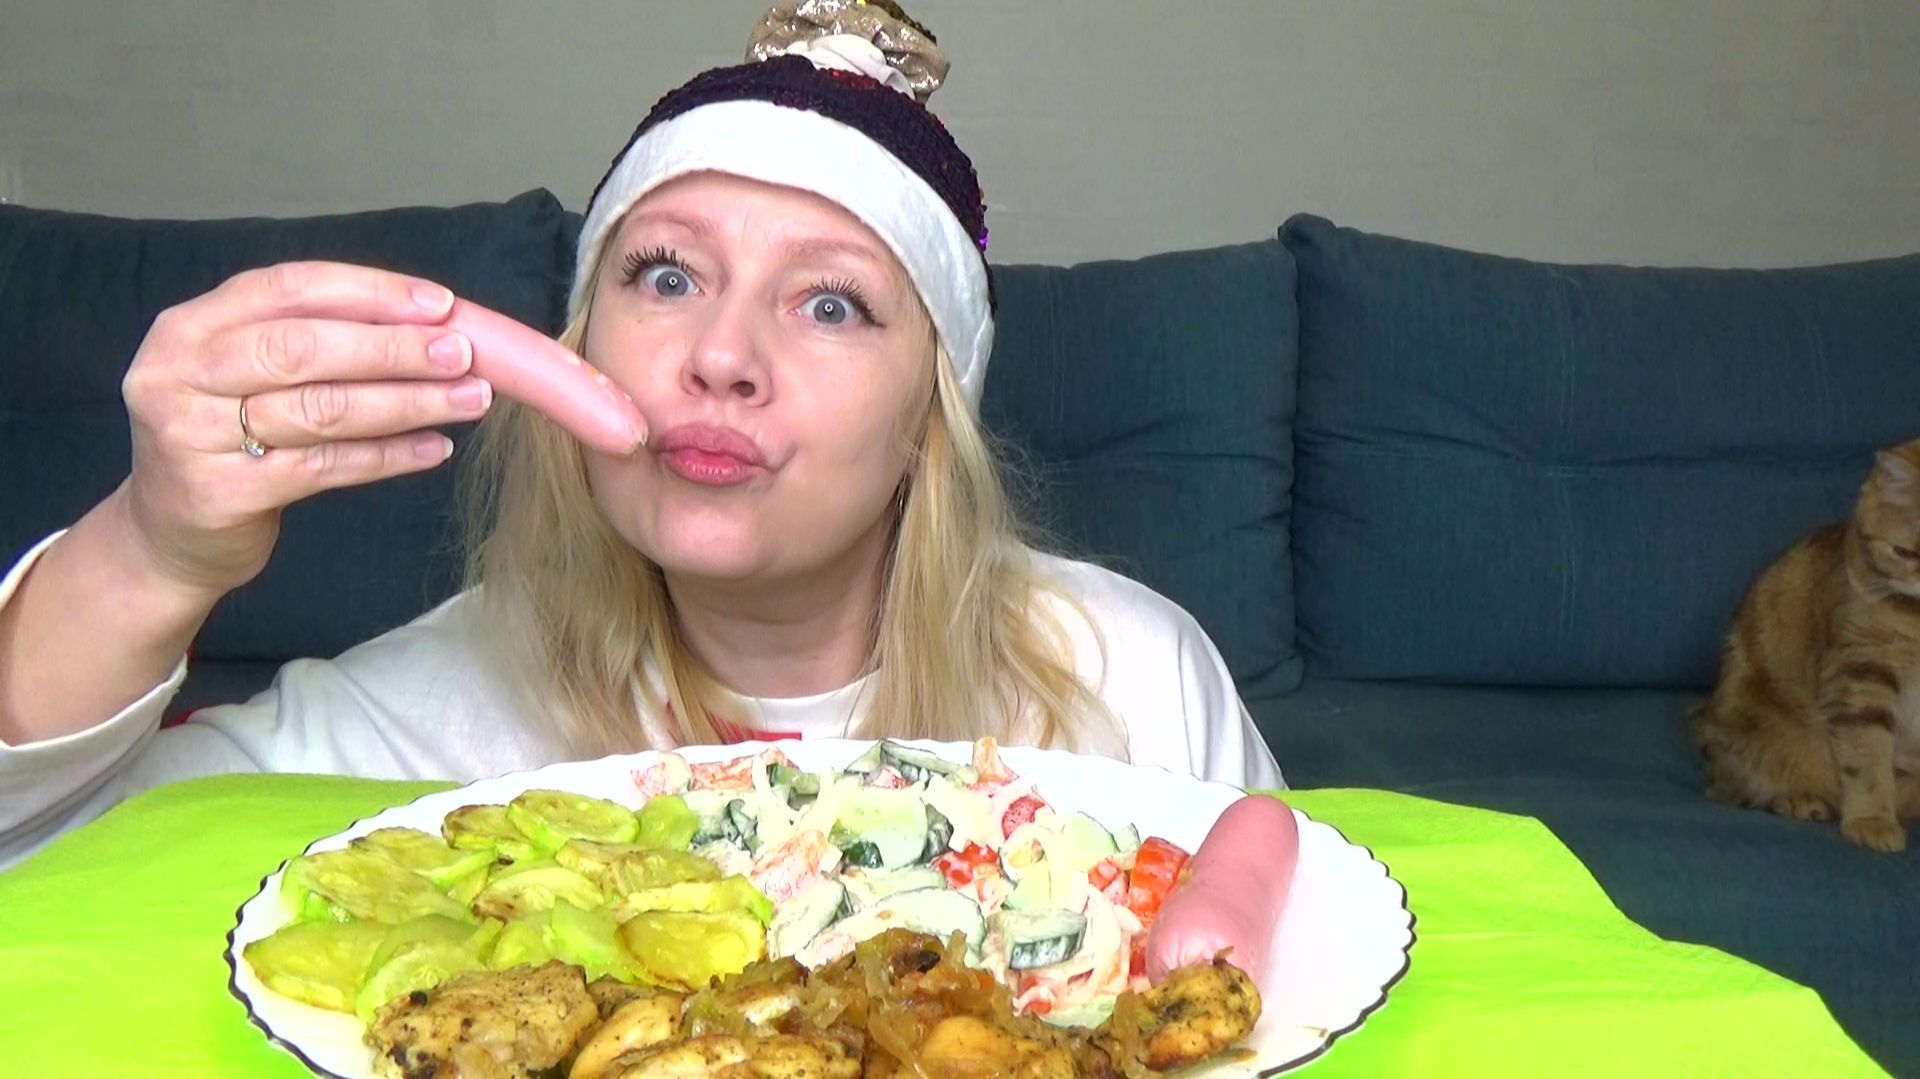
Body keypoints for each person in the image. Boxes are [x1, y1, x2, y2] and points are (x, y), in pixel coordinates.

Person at [0, 1, 1284, 869]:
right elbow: (54, 867)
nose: (721, 354)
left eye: (830, 303)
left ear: (926, 421)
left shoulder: (1134, 683)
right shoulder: (430, 713)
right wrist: (150, 554)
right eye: (667, 275)